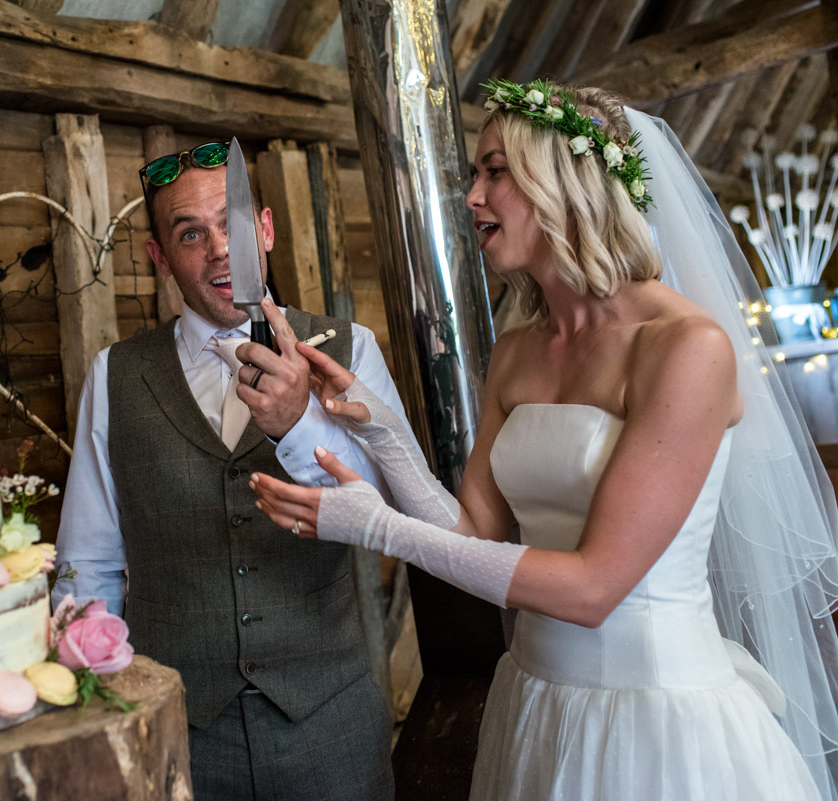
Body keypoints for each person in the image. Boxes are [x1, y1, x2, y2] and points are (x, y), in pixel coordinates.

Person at [249, 80, 838, 801]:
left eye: (495, 171)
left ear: (565, 181)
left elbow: (593, 588)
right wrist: (384, 427)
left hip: (653, 723)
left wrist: (381, 529)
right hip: (538, 703)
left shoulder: (686, 347)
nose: (471, 197)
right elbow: (472, 533)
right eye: (475, 174)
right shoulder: (519, 349)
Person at [54, 140, 411, 800]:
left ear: (266, 229)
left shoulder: (349, 347)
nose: (218, 247)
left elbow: (391, 518)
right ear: (159, 256)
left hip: (330, 727)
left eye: (232, 223)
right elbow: (88, 564)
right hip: (180, 738)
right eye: (191, 233)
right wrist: (97, 706)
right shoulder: (115, 377)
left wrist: (300, 424)